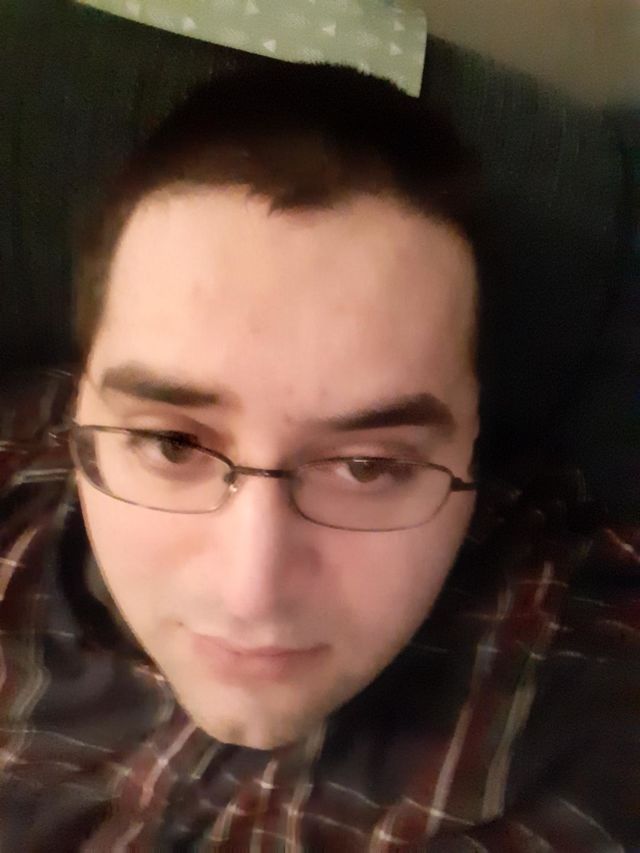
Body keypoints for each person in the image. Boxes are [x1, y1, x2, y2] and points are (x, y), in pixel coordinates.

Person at [0, 62, 637, 850]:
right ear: (79, 402)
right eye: (173, 443)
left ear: (475, 432)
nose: (251, 593)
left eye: (367, 465)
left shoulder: (589, 716)